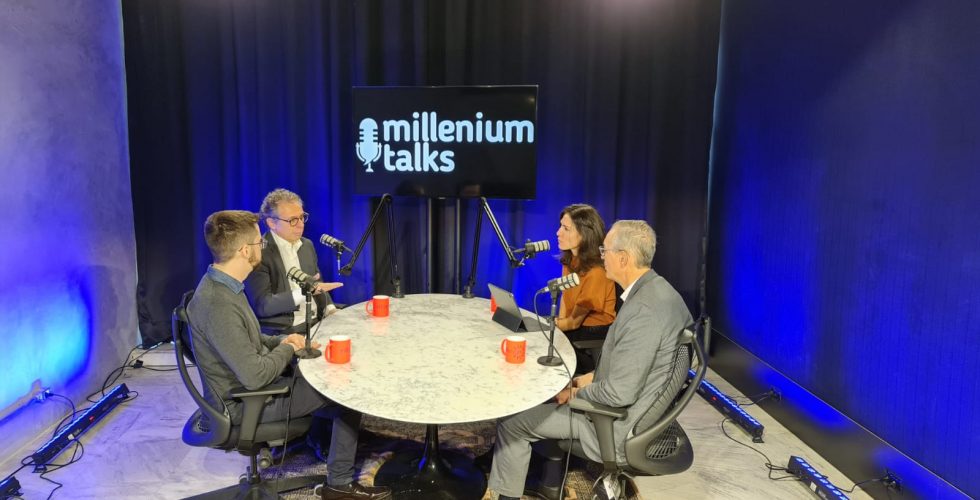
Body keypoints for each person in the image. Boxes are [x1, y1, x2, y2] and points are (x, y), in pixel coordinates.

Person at [187, 210, 390, 500]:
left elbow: (251, 338)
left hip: (249, 390)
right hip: (245, 404)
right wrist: (288, 348)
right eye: (259, 242)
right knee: (348, 393)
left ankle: (322, 446)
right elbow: (255, 376)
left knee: (327, 375)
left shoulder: (223, 286)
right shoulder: (217, 303)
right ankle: (340, 485)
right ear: (244, 250)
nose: (263, 246)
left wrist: (283, 339)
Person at [488, 220, 693, 500]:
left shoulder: (643, 312)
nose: (601, 256)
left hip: (615, 426)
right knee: (545, 398)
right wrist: (583, 380)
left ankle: (507, 495)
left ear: (624, 258)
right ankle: (544, 476)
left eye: (605, 250)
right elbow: (632, 366)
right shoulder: (660, 292)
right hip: (637, 411)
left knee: (513, 423)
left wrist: (574, 393)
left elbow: (619, 393)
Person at [244, 188, 341, 335]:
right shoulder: (259, 252)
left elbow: (317, 285)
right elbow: (263, 306)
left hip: (317, 323)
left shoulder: (307, 245)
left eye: (302, 217)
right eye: (293, 220)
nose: (301, 224)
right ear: (272, 223)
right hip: (286, 331)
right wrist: (305, 292)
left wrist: (330, 310)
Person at [554, 204, 617, 373]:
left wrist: (551, 326)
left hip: (591, 336)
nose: (558, 232)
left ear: (584, 234)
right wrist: (557, 324)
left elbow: (574, 322)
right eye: (560, 226)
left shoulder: (597, 272)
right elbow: (565, 301)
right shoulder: (570, 261)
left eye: (566, 229)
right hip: (572, 327)